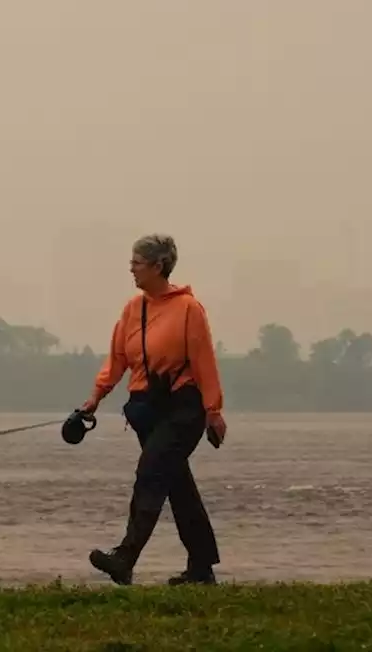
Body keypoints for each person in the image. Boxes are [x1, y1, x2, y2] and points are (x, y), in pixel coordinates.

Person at [79, 233, 227, 586]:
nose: (131, 269)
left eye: (137, 263)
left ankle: (125, 557)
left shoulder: (189, 309)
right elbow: (117, 358)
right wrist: (95, 397)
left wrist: (213, 410)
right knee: (176, 484)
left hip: (184, 407)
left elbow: (204, 360)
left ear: (158, 266)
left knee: (151, 473)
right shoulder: (133, 308)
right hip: (147, 410)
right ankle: (202, 567)